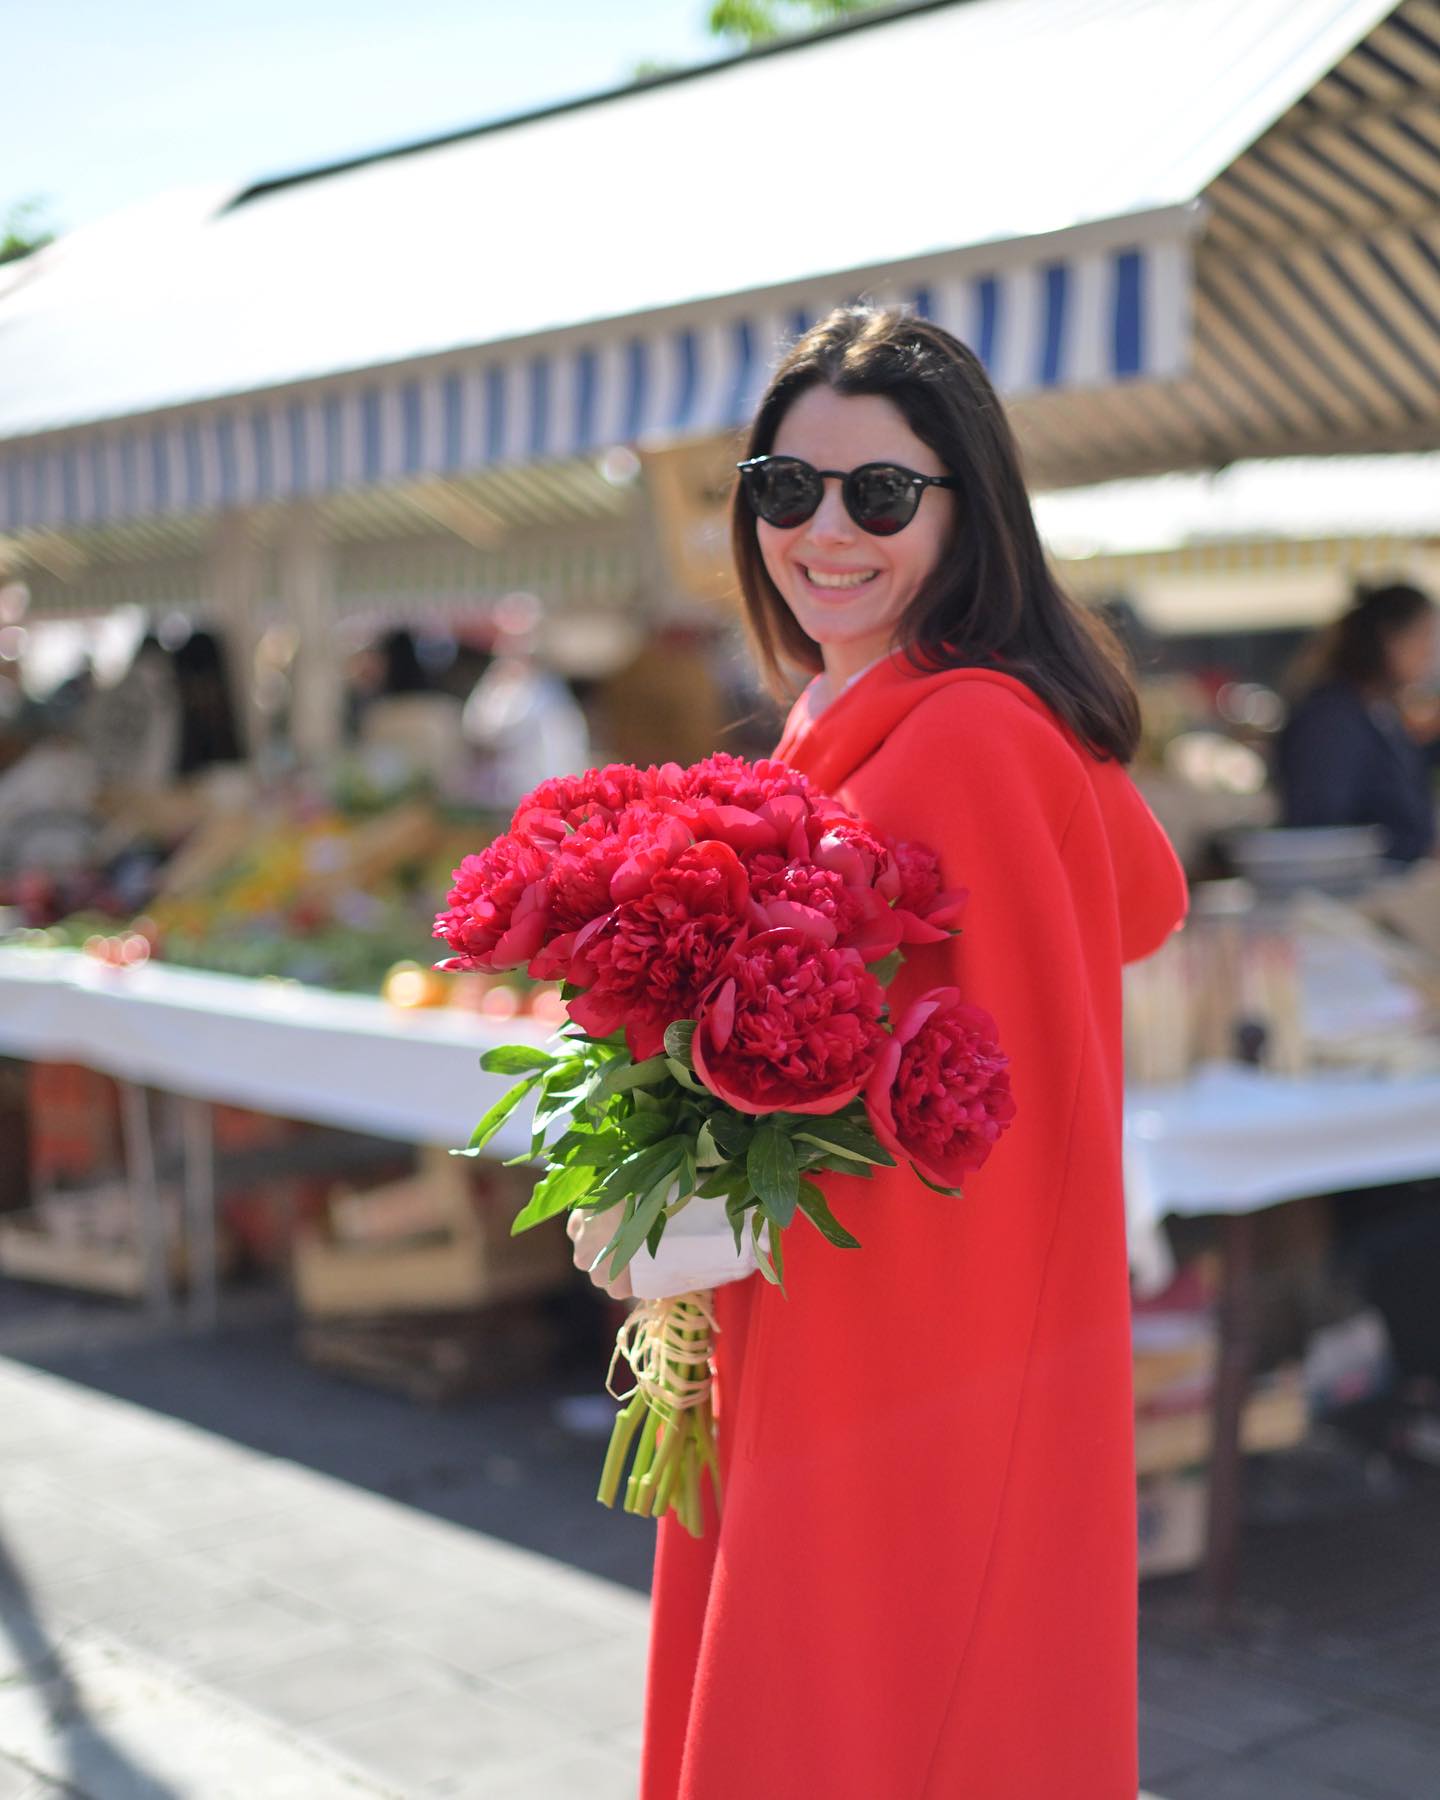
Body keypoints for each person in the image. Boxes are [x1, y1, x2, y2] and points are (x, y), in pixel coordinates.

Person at [568, 305, 1187, 1798]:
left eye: (881, 494)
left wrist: (696, 1211)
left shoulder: (968, 740)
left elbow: (979, 1138)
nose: (824, 530)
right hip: (834, 1348)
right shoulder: (842, 723)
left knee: (864, 1716)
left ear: (971, 515)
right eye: (787, 488)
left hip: (900, 1375)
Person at [1276, 582, 1439, 862]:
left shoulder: (1377, 711)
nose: (1429, 654)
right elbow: (1322, 823)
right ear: (1389, 639)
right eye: (1423, 638)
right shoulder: (1331, 718)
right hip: (1353, 890)